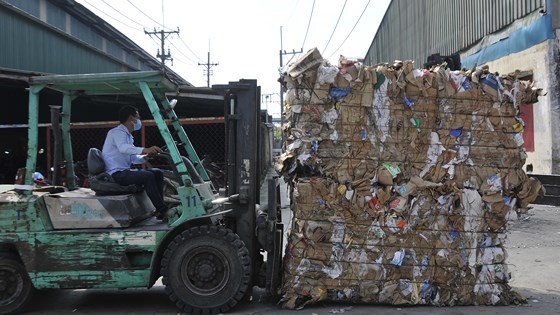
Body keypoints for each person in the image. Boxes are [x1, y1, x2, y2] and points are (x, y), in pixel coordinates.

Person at [102, 105, 168, 220]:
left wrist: (146, 157)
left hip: (124, 171)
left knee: (157, 173)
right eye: (138, 117)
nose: (139, 121)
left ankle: (160, 210)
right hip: (116, 174)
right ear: (131, 118)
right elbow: (123, 148)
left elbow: (132, 158)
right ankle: (163, 210)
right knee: (147, 176)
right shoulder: (117, 132)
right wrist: (145, 149)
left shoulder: (127, 136)